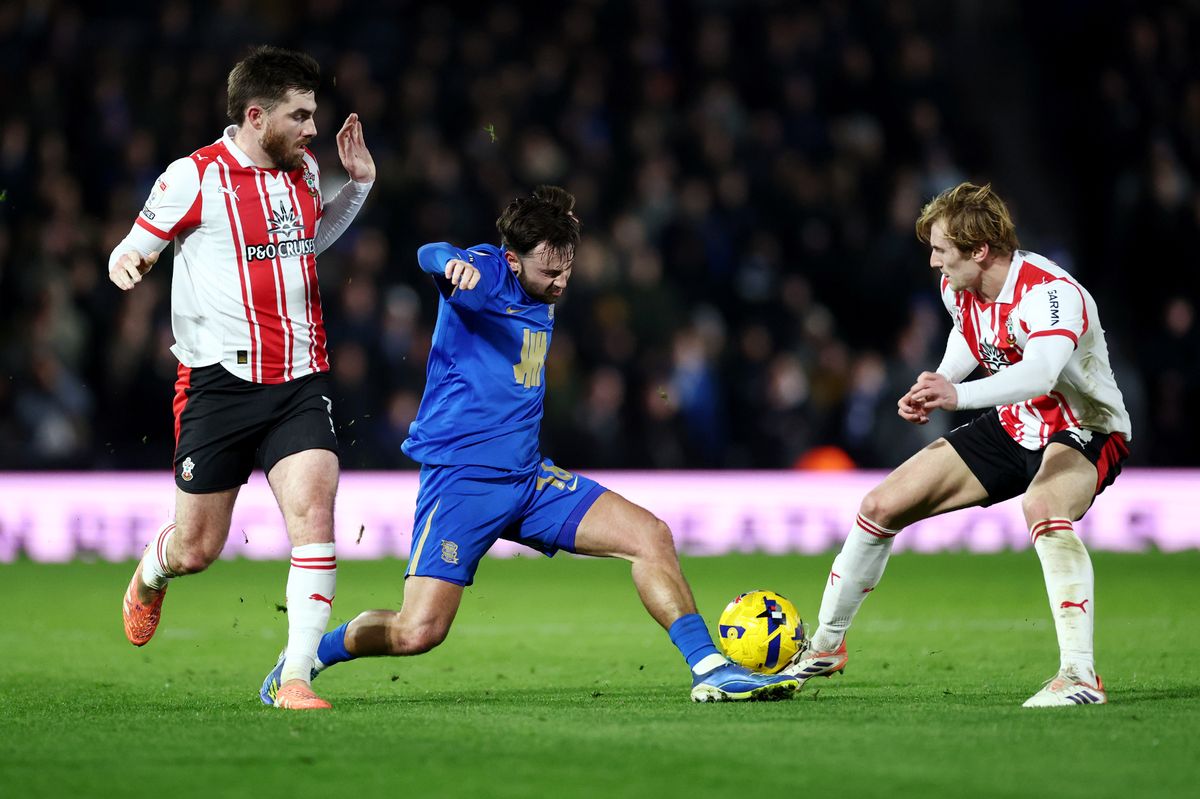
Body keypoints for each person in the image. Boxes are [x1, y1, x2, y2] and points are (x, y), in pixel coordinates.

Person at [260, 186, 799, 703]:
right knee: (416, 632)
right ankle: (306, 657)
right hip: (463, 482)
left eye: (567, 268)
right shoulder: (488, 272)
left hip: (528, 478)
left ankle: (711, 669)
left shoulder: (542, 278)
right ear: (513, 261)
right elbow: (430, 252)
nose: (562, 282)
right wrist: (451, 262)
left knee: (650, 536)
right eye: (550, 271)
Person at [784, 182, 1130, 708]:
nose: (933, 262)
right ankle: (826, 646)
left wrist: (957, 394)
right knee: (880, 505)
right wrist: (938, 380)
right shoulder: (958, 287)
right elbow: (970, 335)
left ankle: (1080, 677)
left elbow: (1039, 374)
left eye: (942, 250)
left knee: (1043, 506)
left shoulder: (1051, 294)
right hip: (1014, 425)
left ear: (981, 250)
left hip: (1085, 426)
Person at [110, 46, 376, 711]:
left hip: (299, 379)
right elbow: (132, 246)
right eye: (301, 115)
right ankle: (153, 568)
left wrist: (360, 186)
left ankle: (296, 677)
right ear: (256, 117)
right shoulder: (192, 176)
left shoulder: (306, 171)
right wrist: (130, 264)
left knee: (316, 508)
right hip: (218, 385)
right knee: (198, 548)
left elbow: (307, 241)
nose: (313, 129)